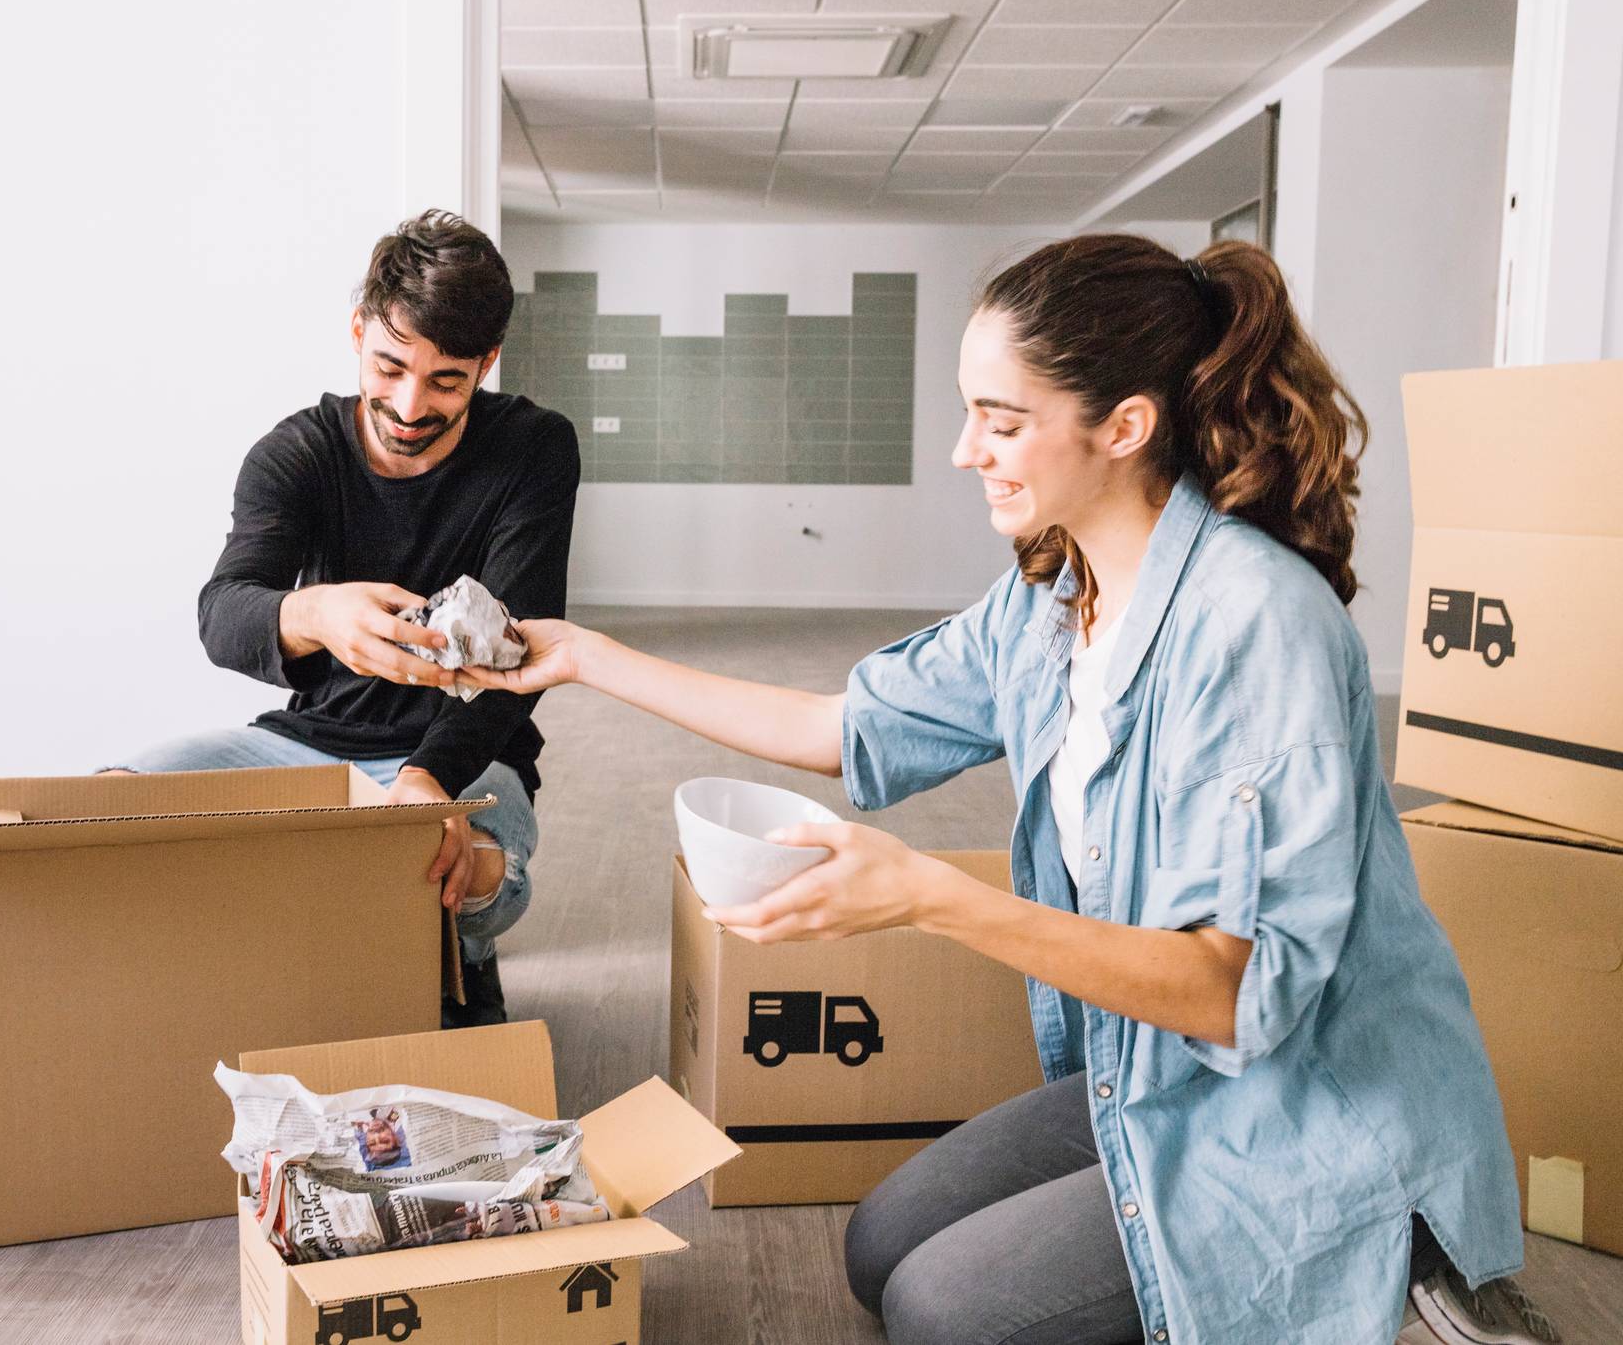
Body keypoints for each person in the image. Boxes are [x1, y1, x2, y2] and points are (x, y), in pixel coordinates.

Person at [462, 235, 1554, 1345]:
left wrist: (928, 894)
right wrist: (583, 656)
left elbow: (1234, 993)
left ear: (1121, 427)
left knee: (943, 1312)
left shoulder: (1252, 626)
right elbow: (837, 727)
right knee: (879, 1245)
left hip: (1306, 1106)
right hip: (1157, 1068)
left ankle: (1398, 1265)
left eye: (999, 419)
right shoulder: (1051, 594)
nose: (959, 451)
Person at [106, 210, 579, 1029]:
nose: (408, 405)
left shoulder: (535, 450)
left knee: (467, 867)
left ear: (487, 363)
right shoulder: (295, 454)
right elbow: (222, 613)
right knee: (112, 803)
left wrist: (425, 778)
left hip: (465, 752)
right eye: (390, 366)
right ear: (358, 331)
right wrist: (315, 611)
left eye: (445, 381)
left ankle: (458, 950)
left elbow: (518, 663)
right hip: (305, 743)